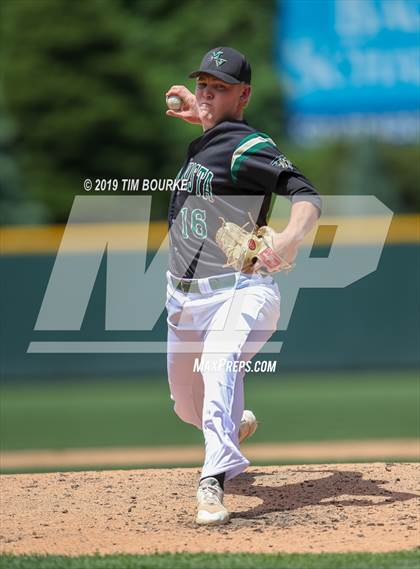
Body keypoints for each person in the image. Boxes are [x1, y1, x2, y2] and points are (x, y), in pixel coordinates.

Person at [165, 47, 321, 526]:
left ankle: (213, 480)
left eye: (221, 87)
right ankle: (230, 427)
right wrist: (204, 118)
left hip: (240, 289)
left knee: (219, 363)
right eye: (204, 85)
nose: (208, 92)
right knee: (185, 405)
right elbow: (218, 156)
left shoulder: (247, 146)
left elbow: (305, 193)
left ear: (244, 95)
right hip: (183, 298)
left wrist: (291, 239)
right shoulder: (214, 139)